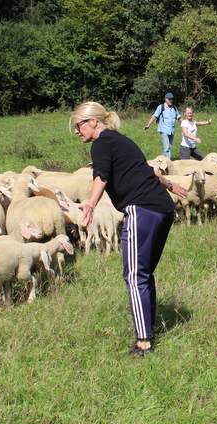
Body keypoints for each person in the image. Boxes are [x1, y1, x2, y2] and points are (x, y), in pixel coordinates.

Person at [72, 101, 188, 356]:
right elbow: (146, 171)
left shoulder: (101, 142)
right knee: (143, 273)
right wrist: (170, 184)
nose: (77, 131)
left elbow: (101, 176)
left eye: (78, 125)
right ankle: (148, 328)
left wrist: (90, 204)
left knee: (135, 275)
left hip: (141, 209)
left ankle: (144, 342)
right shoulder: (121, 141)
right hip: (162, 209)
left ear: (94, 122)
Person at [144, 92, 181, 158]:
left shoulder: (174, 108)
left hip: (171, 130)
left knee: (168, 147)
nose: (171, 100)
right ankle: (168, 164)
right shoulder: (161, 107)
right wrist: (148, 125)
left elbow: (179, 118)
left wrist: (185, 125)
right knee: (167, 148)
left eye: (172, 99)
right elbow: (154, 116)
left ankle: (162, 161)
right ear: (165, 99)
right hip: (164, 130)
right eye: (169, 99)